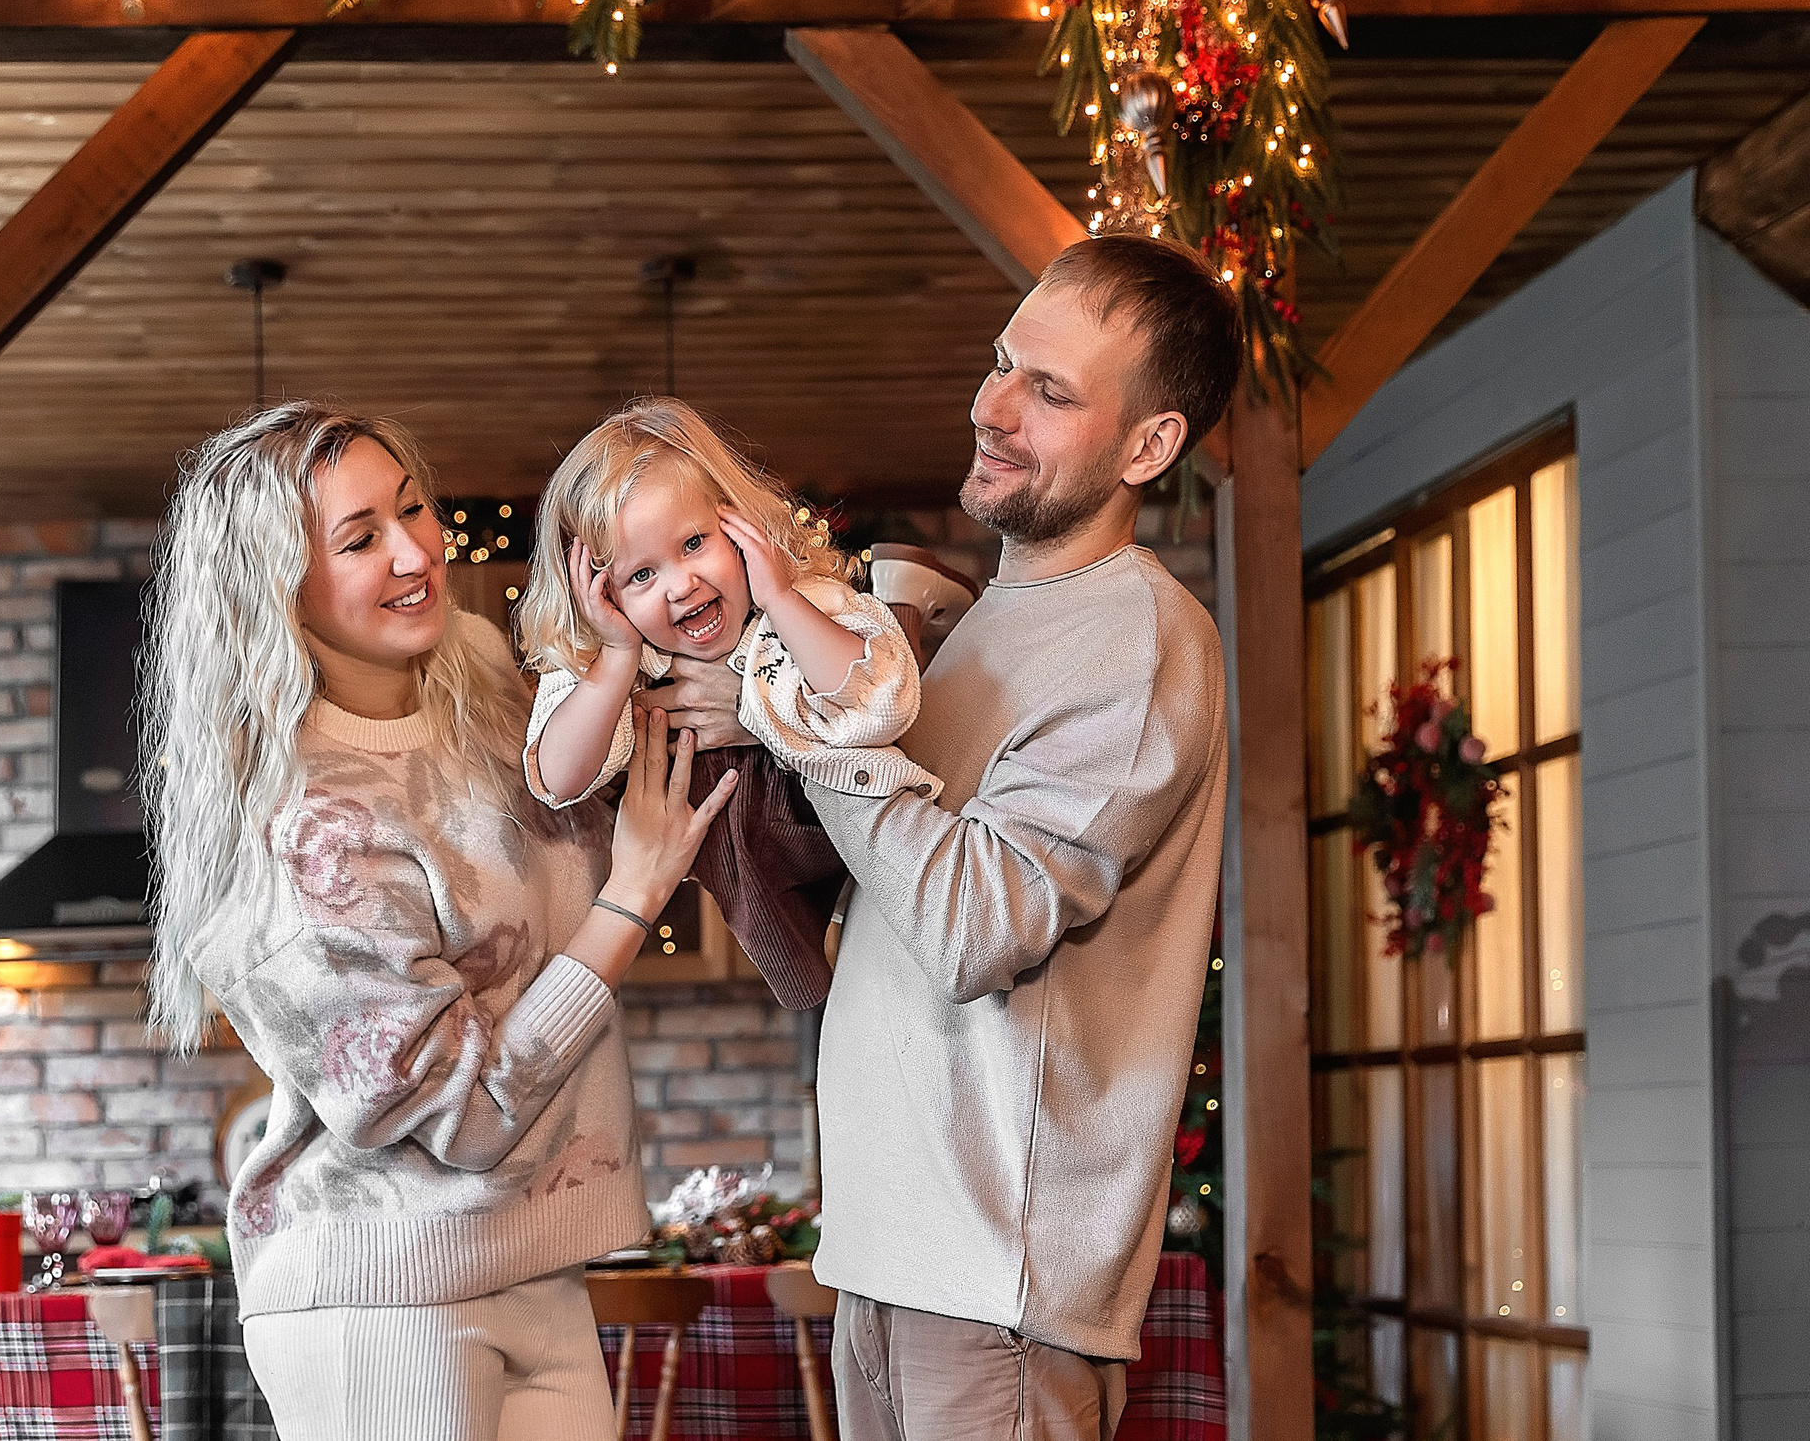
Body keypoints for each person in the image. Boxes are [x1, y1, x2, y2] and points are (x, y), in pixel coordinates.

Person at [651, 235, 1244, 1440]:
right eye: (1001, 365)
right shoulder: (995, 626)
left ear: (1149, 447)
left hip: (997, 1284)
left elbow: (978, 928)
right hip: (899, 1257)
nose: (995, 408)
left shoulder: (1137, 641)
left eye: (1051, 391)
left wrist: (810, 717)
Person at [139, 402, 735, 1441]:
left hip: (533, 1262)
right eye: (361, 538)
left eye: (413, 510)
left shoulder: (487, 692)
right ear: (274, 585)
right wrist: (632, 897)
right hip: (383, 1292)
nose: (418, 551)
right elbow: (465, 1115)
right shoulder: (301, 828)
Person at [515, 396, 932, 1010]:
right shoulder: (613, 662)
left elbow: (883, 705)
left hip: (848, 807)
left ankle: (909, 604)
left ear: (737, 526)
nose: (681, 584)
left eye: (693, 543)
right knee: (814, 992)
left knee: (897, 929)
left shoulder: (799, 599)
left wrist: (785, 601)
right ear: (603, 600)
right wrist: (614, 662)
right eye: (641, 576)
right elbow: (558, 778)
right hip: (741, 852)